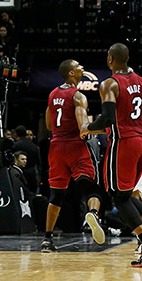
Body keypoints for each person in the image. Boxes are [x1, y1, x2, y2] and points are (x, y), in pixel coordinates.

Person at [84, 43, 142, 267]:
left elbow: (107, 119)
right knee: (126, 195)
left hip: (122, 143)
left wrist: (88, 128)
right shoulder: (141, 81)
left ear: (110, 59)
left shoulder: (109, 84)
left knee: (117, 196)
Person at [40, 59, 104, 253]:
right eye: (78, 66)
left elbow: (49, 126)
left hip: (56, 147)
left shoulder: (52, 94)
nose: (82, 68)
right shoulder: (78, 97)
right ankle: (93, 214)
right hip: (76, 147)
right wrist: (103, 128)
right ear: (71, 73)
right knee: (91, 188)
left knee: (56, 194)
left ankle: (47, 239)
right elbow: (83, 128)